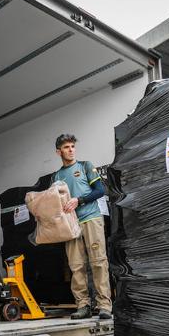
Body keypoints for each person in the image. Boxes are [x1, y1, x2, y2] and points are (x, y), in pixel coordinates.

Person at [53, 133, 112, 320]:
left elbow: (100, 191)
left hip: (91, 219)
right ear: (58, 152)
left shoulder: (85, 166)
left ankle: (104, 306)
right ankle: (83, 305)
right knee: (76, 266)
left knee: (98, 262)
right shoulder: (57, 176)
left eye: (72, 146)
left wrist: (79, 200)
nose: (70, 150)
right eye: (66, 147)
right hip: (70, 226)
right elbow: (54, 201)